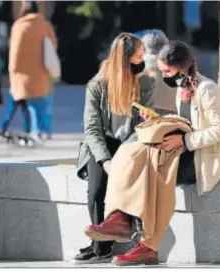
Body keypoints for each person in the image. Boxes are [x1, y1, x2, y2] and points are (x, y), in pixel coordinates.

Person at [84, 41, 220, 266]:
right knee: (130, 151)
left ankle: (147, 246)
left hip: (203, 155)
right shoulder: (182, 87)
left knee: (155, 168)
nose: (164, 76)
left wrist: (182, 140)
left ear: (181, 67)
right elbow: (185, 121)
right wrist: (158, 121)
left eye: (167, 71)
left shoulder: (206, 88)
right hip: (185, 148)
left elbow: (218, 132)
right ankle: (119, 217)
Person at [73, 32, 156, 264]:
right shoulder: (97, 86)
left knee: (130, 175)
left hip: (132, 144)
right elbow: (92, 130)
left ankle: (114, 241)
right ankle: (101, 247)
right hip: (103, 146)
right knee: (97, 189)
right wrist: (107, 161)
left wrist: (147, 120)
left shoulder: (146, 83)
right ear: (128, 58)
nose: (144, 59)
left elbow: (142, 128)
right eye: (140, 54)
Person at [2, 0, 57, 136]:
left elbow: (14, 51)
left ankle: (32, 130)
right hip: (41, 72)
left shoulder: (19, 27)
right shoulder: (44, 25)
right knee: (40, 103)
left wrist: (12, 71)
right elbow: (53, 45)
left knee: (25, 103)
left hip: (22, 73)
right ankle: (42, 130)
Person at [141, 29, 177, 115]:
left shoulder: (141, 70)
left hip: (148, 119)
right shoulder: (177, 69)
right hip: (174, 119)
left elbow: (133, 104)